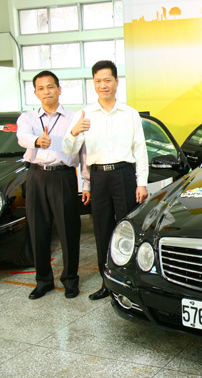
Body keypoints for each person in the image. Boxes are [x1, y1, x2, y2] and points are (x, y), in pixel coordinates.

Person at [63, 60, 149, 300]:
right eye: (98, 81)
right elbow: (70, 152)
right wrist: (74, 132)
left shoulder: (130, 114)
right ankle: (107, 283)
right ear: (94, 83)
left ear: (116, 82)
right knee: (101, 230)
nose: (103, 85)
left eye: (107, 80)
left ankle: (129, 282)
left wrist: (141, 182)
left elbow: (140, 149)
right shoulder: (84, 115)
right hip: (99, 177)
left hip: (124, 174)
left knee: (127, 230)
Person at [16, 70, 89, 300]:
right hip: (36, 176)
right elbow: (21, 137)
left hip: (63, 176)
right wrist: (37, 140)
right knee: (38, 230)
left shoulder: (73, 118)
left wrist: (86, 182)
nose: (46, 92)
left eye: (50, 87)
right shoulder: (28, 118)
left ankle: (70, 280)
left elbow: (83, 151)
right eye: (41, 88)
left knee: (69, 229)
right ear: (35, 93)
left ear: (59, 89)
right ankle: (43, 281)